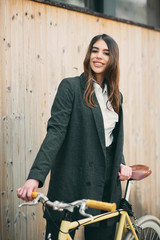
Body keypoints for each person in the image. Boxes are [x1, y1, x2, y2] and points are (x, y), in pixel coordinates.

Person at [17, 34, 132, 240]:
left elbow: (110, 138)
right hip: (72, 178)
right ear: (89, 55)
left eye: (105, 53)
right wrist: (35, 176)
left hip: (105, 182)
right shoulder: (70, 87)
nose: (98, 56)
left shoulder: (116, 96)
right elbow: (56, 131)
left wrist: (121, 163)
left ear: (112, 59)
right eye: (94, 51)